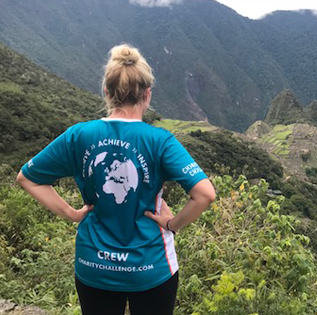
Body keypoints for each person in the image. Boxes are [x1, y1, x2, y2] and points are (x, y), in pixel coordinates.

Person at [16, 44, 216, 315]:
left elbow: (27, 178)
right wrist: (171, 224)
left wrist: (72, 214)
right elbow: (205, 194)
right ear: (147, 94)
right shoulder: (160, 141)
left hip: (94, 266)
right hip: (150, 267)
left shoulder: (79, 135)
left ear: (107, 92)